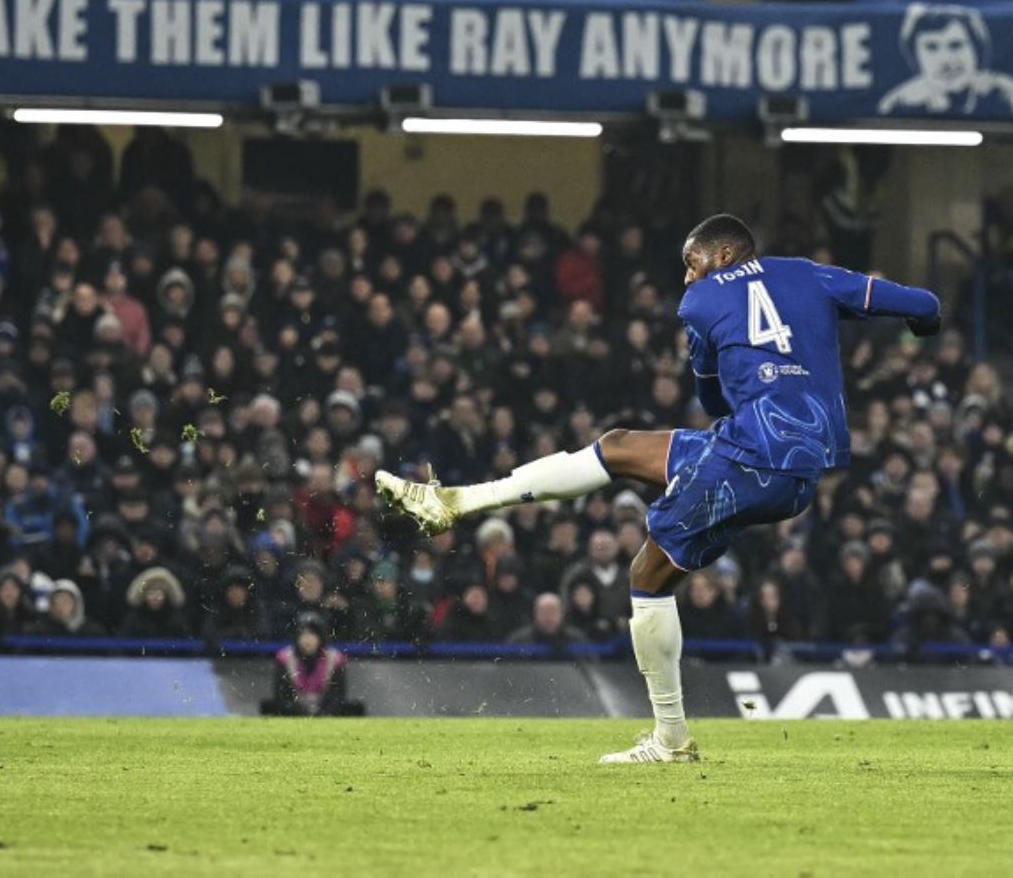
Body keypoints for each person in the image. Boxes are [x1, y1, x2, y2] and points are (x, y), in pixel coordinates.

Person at [379, 212, 941, 762]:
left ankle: (670, 737)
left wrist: (722, 358)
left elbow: (713, 400)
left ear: (723, 256)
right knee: (620, 446)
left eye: (691, 263)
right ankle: (459, 500)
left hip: (752, 457)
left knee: (646, 574)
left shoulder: (700, 301)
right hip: (790, 461)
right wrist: (922, 329)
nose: (687, 276)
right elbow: (923, 306)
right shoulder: (810, 274)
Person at [260, 611, 365, 716]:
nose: (307, 639)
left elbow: (337, 697)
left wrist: (322, 714)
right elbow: (282, 696)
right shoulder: (285, 658)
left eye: (313, 634)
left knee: (355, 707)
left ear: (321, 637)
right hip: (294, 714)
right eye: (303, 634)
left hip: (326, 714)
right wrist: (301, 713)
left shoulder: (334, 659)